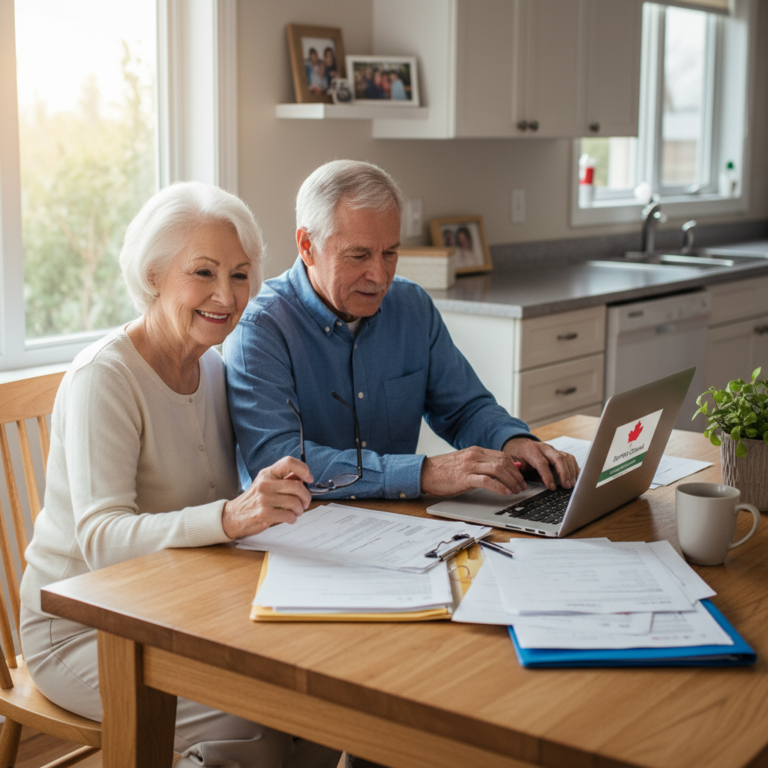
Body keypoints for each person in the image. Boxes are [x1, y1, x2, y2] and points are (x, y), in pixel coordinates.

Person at [19, 182, 340, 768]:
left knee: (325, 701)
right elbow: (100, 539)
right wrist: (231, 515)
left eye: (241, 274)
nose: (226, 295)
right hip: (81, 627)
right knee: (257, 729)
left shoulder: (212, 367)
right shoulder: (105, 377)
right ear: (153, 275)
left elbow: (222, 507)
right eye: (204, 272)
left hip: (174, 611)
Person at [225, 160, 578, 502]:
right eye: (358, 255)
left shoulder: (412, 306)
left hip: (404, 529)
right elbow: (278, 461)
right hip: (298, 532)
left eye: (390, 253)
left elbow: (465, 408)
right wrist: (423, 473)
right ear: (307, 246)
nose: (380, 276)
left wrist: (512, 441)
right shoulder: (260, 327)